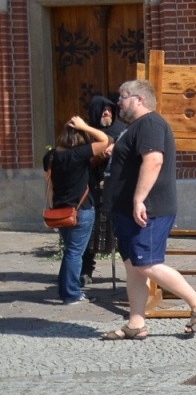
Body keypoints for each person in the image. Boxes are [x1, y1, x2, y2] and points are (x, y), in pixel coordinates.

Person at [100, 79, 196, 340]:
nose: (118, 101)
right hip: (126, 211)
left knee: (147, 264)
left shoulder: (150, 123)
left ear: (140, 99)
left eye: (123, 96)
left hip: (148, 209)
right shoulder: (135, 128)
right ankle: (136, 324)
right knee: (133, 267)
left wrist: (139, 199)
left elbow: (154, 161)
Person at [43, 116, 112, 303]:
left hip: (60, 211)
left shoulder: (50, 156)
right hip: (81, 210)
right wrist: (85, 126)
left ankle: (65, 289)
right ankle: (71, 294)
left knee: (69, 251)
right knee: (75, 252)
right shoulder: (79, 154)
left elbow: (49, 185)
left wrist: (51, 205)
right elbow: (105, 141)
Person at [82, 94, 125, 286]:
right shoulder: (85, 135)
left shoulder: (122, 131)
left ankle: (135, 270)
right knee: (90, 234)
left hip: (116, 189)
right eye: (103, 110)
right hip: (92, 188)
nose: (107, 113)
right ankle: (85, 270)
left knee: (121, 232)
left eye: (109, 110)